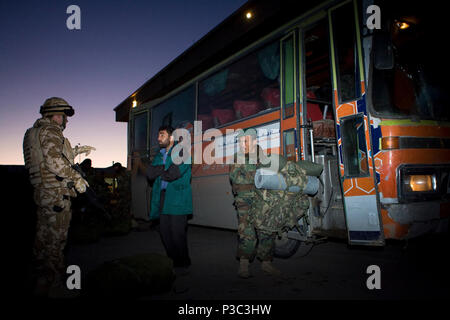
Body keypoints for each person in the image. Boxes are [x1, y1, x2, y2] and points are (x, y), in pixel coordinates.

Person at [23, 97, 90, 297]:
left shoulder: (34, 132)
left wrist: (76, 150)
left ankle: (39, 280)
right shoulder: (51, 130)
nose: (66, 122)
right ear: (57, 115)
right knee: (56, 242)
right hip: (56, 195)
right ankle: (53, 287)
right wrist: (76, 179)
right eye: (64, 117)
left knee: (43, 239)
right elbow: (53, 161)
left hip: (43, 193)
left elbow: (47, 157)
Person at [138, 125, 193, 273]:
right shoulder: (159, 154)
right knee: (165, 233)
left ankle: (183, 263)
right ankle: (173, 262)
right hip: (162, 198)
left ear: (171, 137)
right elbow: (149, 174)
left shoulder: (182, 152)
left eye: (161, 135)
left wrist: (160, 170)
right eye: (158, 135)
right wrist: (164, 168)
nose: (158, 138)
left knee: (177, 234)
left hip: (177, 199)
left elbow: (172, 174)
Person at [229, 128, 282, 278]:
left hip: (262, 198)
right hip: (244, 199)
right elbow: (236, 177)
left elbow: (271, 177)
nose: (241, 144)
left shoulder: (263, 157)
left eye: (245, 141)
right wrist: (256, 175)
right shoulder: (237, 157)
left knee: (266, 230)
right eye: (239, 141)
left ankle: (266, 263)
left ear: (254, 141)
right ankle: (244, 264)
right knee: (246, 231)